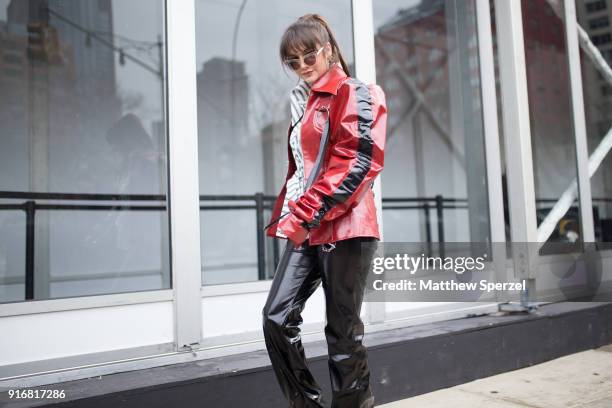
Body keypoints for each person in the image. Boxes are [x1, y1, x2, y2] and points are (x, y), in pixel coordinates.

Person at [261, 14, 387, 408]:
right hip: (308, 226)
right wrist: (294, 219)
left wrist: (306, 212)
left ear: (328, 50)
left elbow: (358, 161)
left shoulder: (357, 92)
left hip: (347, 227)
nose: (302, 66)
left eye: (309, 55)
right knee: (276, 319)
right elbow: (303, 168)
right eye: (292, 61)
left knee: (343, 333)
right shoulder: (304, 101)